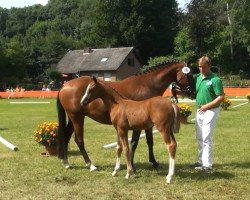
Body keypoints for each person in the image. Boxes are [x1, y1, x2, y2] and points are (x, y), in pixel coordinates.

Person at [193, 56, 224, 171]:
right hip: (199, 110)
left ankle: (207, 165)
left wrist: (207, 106)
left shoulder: (215, 80)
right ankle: (201, 161)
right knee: (200, 137)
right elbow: (192, 93)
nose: (201, 69)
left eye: (204, 67)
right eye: (200, 66)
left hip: (211, 110)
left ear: (209, 66)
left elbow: (220, 97)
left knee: (206, 137)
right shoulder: (197, 78)